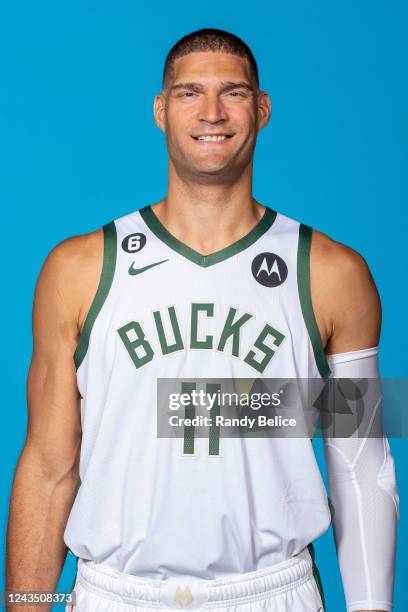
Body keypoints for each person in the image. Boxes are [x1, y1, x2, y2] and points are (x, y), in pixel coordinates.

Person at [6, 28, 399, 612]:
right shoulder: (80, 268)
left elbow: (360, 461)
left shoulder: (331, 272)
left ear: (262, 110)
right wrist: (25, 604)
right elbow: (47, 465)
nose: (211, 112)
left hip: (269, 591)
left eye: (233, 93)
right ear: (161, 111)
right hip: (116, 592)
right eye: (189, 93)